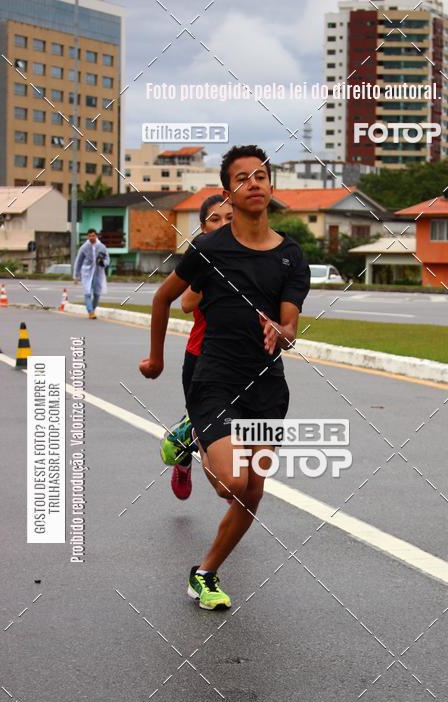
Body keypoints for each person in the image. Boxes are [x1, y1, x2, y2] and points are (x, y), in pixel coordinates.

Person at [139, 144, 310, 611]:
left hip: (267, 388)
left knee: (252, 492)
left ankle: (204, 573)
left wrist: (282, 332)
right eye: (242, 178)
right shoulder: (209, 249)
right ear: (228, 192)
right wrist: (155, 359)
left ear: (271, 186)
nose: (253, 184)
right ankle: (195, 433)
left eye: (261, 176)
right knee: (232, 481)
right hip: (214, 379)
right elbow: (164, 298)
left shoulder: (291, 256)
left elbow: (290, 326)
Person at [161, 194, 233, 501]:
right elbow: (186, 303)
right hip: (202, 357)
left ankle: (191, 433)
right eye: (215, 220)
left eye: (230, 218)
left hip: (241, 359)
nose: (223, 225)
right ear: (203, 228)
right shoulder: (205, 258)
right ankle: (189, 443)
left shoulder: (254, 254)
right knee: (221, 462)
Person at [73, 228, 110, 319]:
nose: (91, 237)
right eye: (89, 236)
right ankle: (90, 311)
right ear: (87, 237)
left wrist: (103, 263)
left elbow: (107, 259)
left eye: (93, 235)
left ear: (96, 236)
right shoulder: (84, 247)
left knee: (97, 293)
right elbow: (78, 261)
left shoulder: (102, 247)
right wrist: (76, 275)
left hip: (98, 272)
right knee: (87, 292)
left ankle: (92, 310)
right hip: (87, 272)